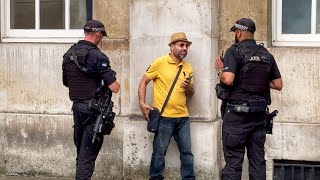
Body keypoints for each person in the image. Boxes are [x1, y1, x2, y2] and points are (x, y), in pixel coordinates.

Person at [214, 18, 283, 180]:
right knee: (258, 162)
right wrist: (257, 76)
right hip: (259, 117)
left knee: (233, 162)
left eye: (235, 33)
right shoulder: (266, 55)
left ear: (239, 32)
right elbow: (278, 84)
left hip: (237, 117)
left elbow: (228, 79)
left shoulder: (233, 51)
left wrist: (220, 71)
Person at [62, 19, 120, 180]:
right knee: (87, 156)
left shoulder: (69, 54)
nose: (101, 39)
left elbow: (66, 82)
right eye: (101, 35)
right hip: (93, 112)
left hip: (77, 108)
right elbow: (114, 87)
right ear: (97, 34)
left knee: (81, 153)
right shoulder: (98, 56)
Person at [138, 32, 195, 180]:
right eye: (181, 45)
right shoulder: (159, 63)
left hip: (183, 118)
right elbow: (144, 81)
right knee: (159, 153)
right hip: (164, 118)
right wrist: (142, 103)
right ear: (171, 47)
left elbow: (190, 94)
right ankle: (155, 177)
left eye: (186, 46)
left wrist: (188, 86)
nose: (185, 48)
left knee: (187, 154)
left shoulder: (187, 67)